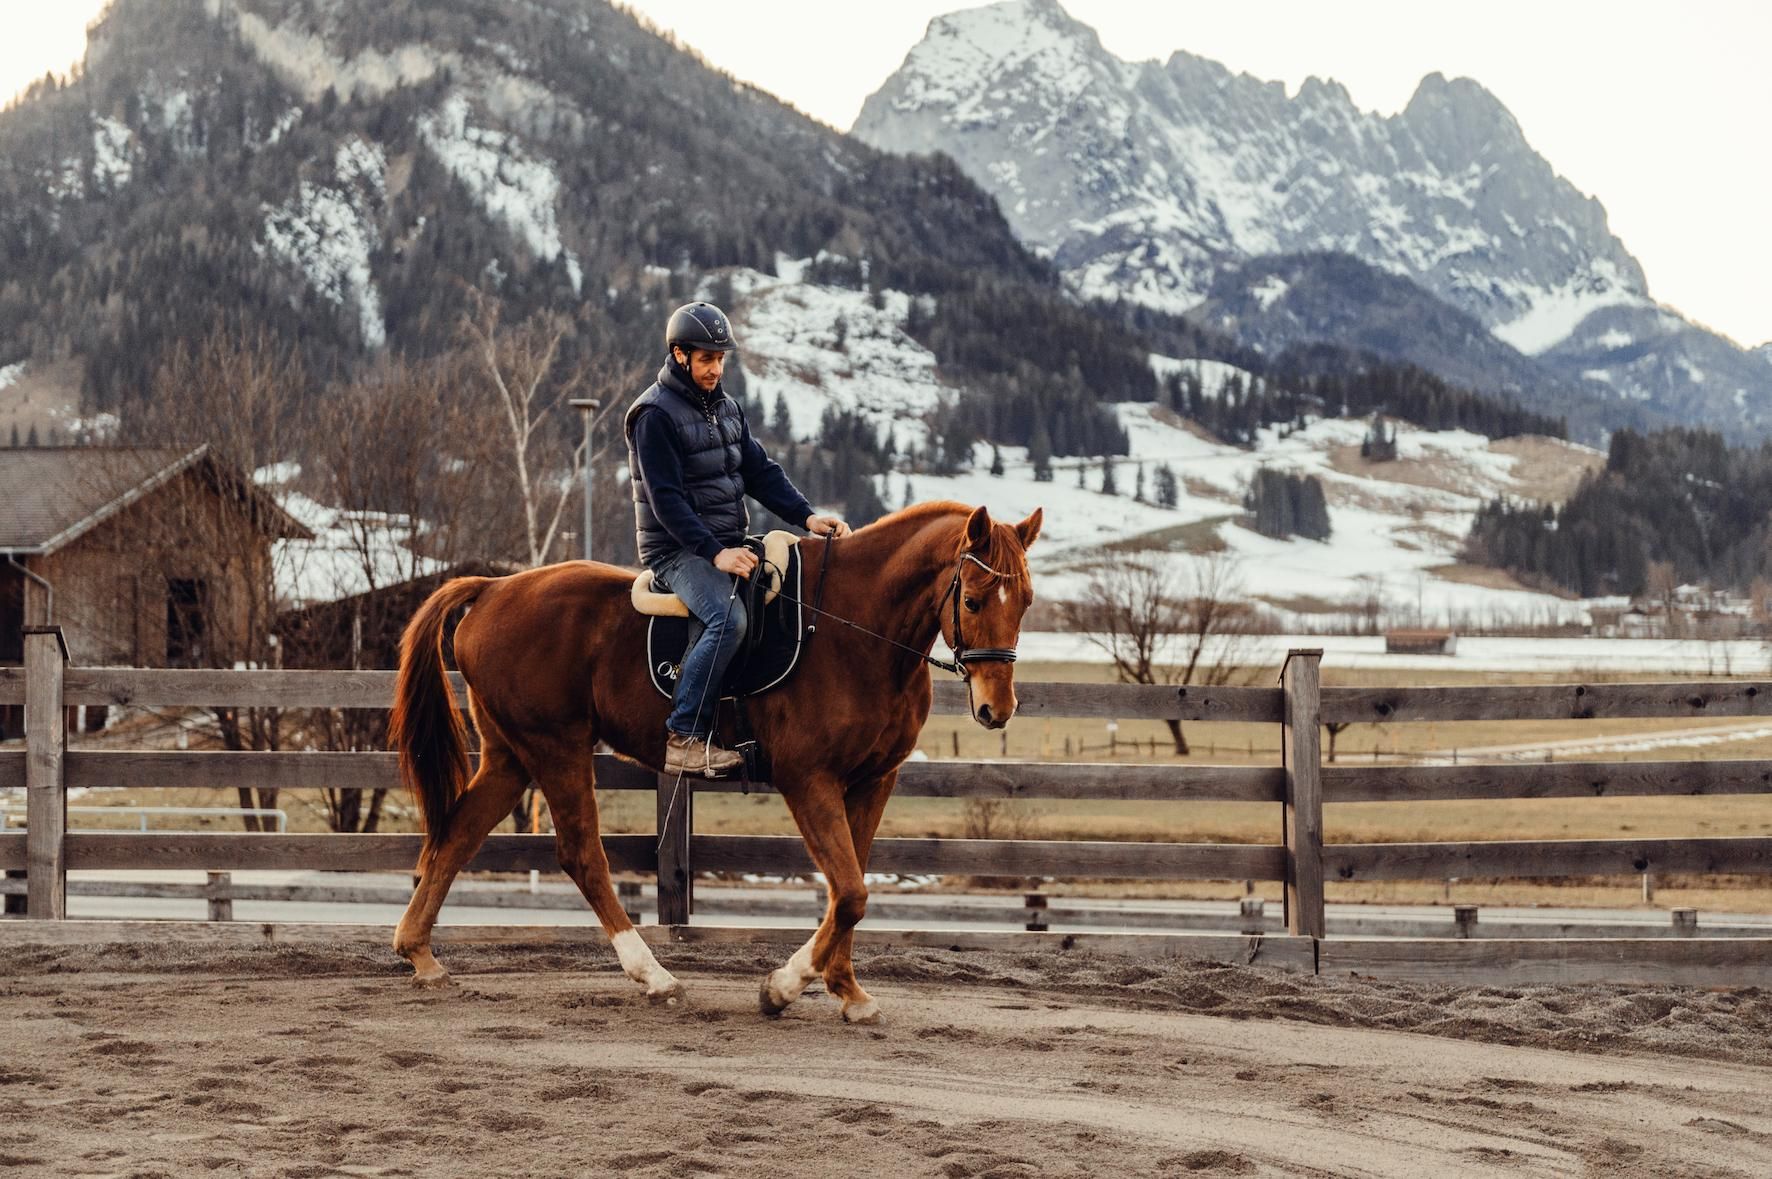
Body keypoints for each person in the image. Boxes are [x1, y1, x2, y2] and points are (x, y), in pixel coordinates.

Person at [624, 301, 851, 776]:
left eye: (721, 358)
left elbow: (760, 473)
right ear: (680, 355)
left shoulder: (725, 409)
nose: (716, 368)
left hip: (726, 539)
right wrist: (717, 553)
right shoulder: (654, 415)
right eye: (706, 358)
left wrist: (806, 518)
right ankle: (684, 734)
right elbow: (667, 502)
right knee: (728, 619)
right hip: (677, 550)